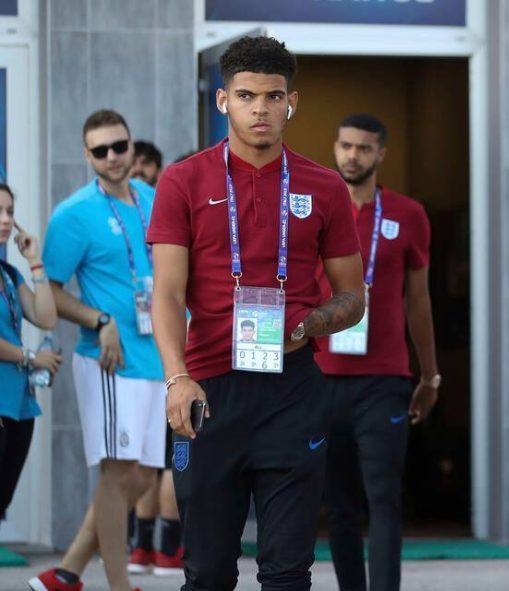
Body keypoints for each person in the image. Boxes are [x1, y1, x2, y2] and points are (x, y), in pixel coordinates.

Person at [147, 36, 365, 590]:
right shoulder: (183, 181)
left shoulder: (324, 186)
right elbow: (167, 296)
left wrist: (312, 323)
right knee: (209, 571)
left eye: (273, 97)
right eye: (246, 96)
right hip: (209, 390)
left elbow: (352, 297)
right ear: (223, 101)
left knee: (288, 573)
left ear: (292, 100)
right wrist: (176, 379)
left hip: (293, 390)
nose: (260, 109)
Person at [29, 109, 165, 591]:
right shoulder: (73, 214)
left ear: (132, 147)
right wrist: (99, 320)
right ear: (87, 156)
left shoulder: (151, 198)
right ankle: (120, 586)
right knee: (117, 473)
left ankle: (65, 573)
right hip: (111, 362)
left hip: (156, 358)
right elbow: (51, 292)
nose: (112, 157)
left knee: (145, 478)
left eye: (119, 146)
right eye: (101, 150)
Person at [315, 114, 440, 591]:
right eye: (345, 146)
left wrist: (429, 376)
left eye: (364, 148)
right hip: (322, 377)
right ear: (335, 146)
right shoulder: (317, 209)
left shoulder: (408, 215)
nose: (352, 156)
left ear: (381, 154)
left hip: (384, 381)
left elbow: (419, 300)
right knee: (340, 506)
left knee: (384, 499)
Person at [128, 150, 191, 578]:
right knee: (170, 459)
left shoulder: (149, 204)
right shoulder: (169, 208)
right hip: (169, 362)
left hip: (157, 359)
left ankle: (145, 549)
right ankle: (164, 550)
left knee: (156, 460)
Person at [0, 183, 61, 526]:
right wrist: (29, 356)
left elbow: (46, 316)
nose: (6, 220)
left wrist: (35, 263)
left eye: (10, 211)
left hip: (17, 403)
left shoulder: (9, 274)